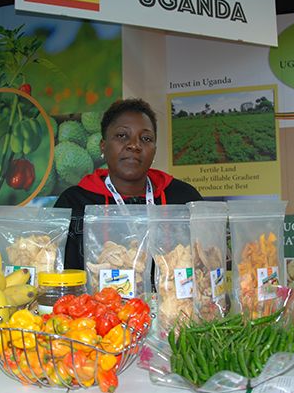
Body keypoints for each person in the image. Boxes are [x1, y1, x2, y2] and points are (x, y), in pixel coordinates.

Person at [55, 98, 203, 270]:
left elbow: (206, 265)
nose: (134, 145)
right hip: (100, 298)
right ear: (103, 146)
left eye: (146, 138)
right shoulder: (75, 202)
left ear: (154, 150)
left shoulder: (183, 198)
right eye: (122, 136)